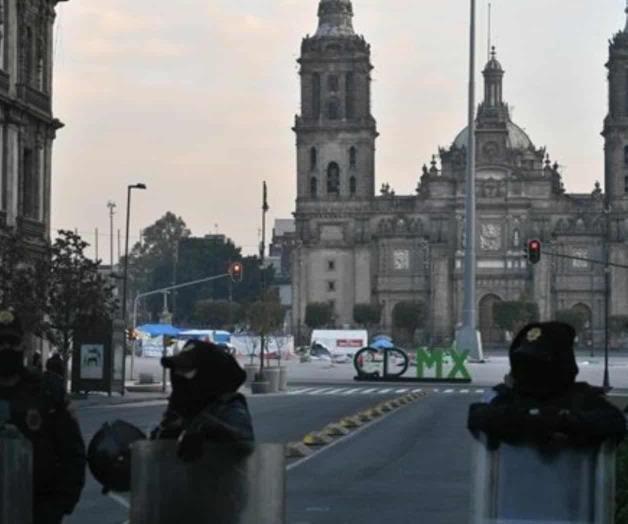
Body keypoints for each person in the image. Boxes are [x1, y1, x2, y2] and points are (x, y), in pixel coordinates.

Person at [468, 321, 626, 450]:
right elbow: (478, 415)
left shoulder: (581, 396)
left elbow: (614, 422)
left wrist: (563, 421)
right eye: (524, 363)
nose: (531, 370)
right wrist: (533, 419)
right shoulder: (506, 396)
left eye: (538, 363)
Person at [0, 309, 86, 524]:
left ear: (23, 345)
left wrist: (59, 507)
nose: (5, 348)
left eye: (12, 342)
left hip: (38, 511)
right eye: (0, 342)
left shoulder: (47, 391)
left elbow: (72, 454)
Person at [151, 339, 254, 461]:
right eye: (177, 369)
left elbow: (244, 442)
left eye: (186, 371)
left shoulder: (228, 404)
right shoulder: (180, 404)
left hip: (219, 478)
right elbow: (157, 442)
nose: (178, 375)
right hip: (181, 477)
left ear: (209, 373)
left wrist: (208, 432)